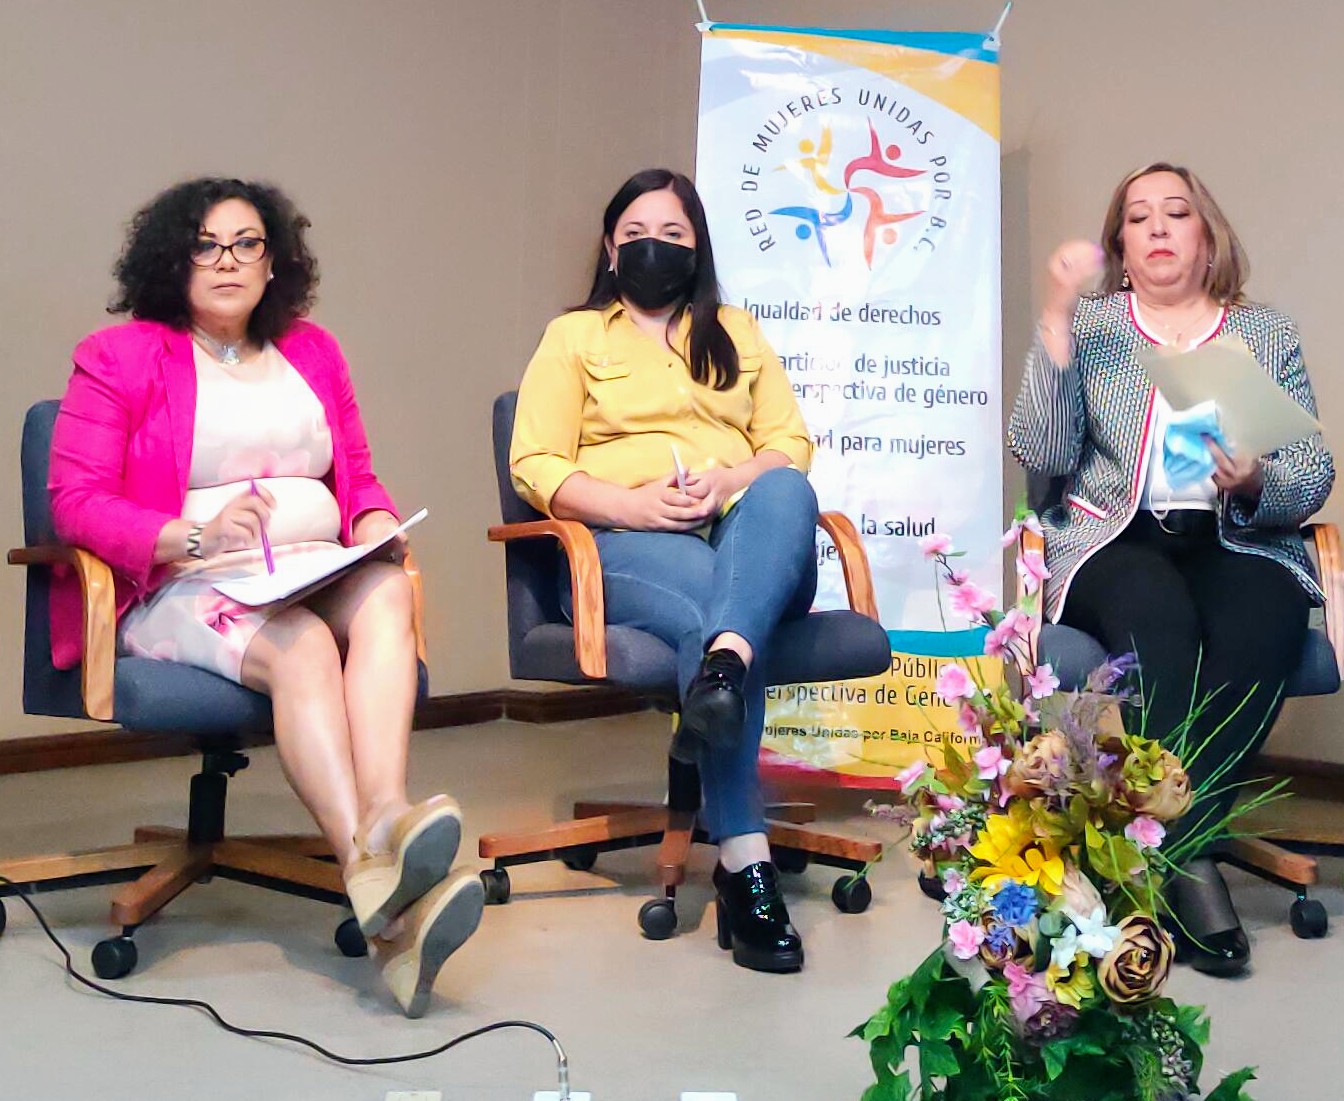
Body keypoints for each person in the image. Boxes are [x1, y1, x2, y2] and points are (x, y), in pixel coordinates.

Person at [49, 178, 477, 1017]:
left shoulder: (313, 351)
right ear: (173, 260)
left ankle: (387, 817)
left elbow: (355, 471)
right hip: (185, 579)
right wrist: (193, 537)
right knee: (306, 647)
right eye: (207, 245)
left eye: (247, 243)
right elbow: (77, 499)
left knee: (389, 590)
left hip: (311, 568)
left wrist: (378, 520)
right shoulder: (121, 356)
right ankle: (372, 874)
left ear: (273, 260)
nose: (228, 261)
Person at [1007, 162, 1335, 977]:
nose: (1157, 228)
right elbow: (1043, 455)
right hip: (1118, 538)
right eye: (1139, 217)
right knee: (1161, 622)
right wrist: (1053, 319)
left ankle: (1179, 842)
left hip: (1236, 536)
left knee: (1267, 620)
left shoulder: (1263, 334)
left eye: (1176, 213)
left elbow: (1313, 467)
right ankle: (1190, 864)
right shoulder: (1091, 325)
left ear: (1205, 234)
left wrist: (1257, 479)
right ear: (1120, 241)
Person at [510, 168, 819, 974]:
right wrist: (631, 504)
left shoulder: (737, 332)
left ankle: (723, 665)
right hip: (627, 539)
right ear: (611, 249)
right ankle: (745, 863)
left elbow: (790, 443)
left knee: (786, 485)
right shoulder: (573, 337)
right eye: (638, 232)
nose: (655, 245)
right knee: (702, 620)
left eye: (675, 234)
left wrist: (729, 481)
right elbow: (535, 462)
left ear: (698, 249)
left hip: (748, 537)